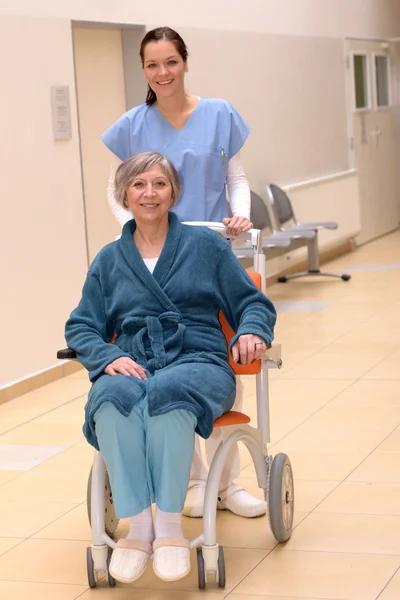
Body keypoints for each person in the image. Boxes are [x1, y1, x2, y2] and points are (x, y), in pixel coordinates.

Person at [65, 153, 276, 584]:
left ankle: (169, 529)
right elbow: (82, 325)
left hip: (198, 358)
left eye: (159, 184)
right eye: (139, 184)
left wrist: (251, 330)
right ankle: (138, 530)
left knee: (169, 396)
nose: (149, 193)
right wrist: (107, 358)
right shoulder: (109, 259)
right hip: (133, 359)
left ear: (173, 193)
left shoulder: (207, 247)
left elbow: (250, 301)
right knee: (110, 399)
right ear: (124, 193)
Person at [101, 26, 265, 519]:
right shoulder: (132, 124)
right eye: (152, 65)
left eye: (170, 61)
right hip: (152, 257)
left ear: (185, 62)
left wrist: (240, 216)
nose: (162, 72)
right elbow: (117, 193)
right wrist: (137, 227)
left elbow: (236, 179)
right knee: (165, 362)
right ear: (144, 70)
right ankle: (193, 481)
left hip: (210, 251)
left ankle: (227, 483)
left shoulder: (218, 114)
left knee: (212, 358)